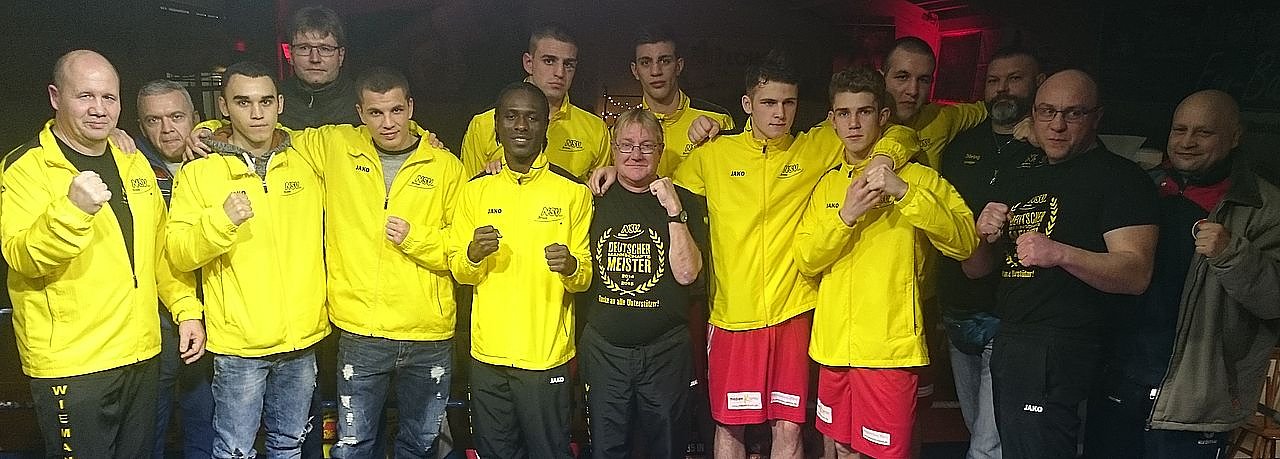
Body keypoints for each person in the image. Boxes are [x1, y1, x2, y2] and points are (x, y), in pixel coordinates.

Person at [670, 50, 916, 459]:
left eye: (789, 102)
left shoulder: (814, 147)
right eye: (768, 102)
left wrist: (886, 157)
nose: (780, 113)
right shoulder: (713, 154)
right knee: (730, 427)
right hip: (734, 317)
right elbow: (657, 178)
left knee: (789, 426)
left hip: (794, 313)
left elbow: (901, 134)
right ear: (747, 104)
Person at [1, 49, 203, 457]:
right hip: (74, 365)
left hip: (141, 353)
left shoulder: (134, 163)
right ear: (56, 97)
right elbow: (22, 257)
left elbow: (159, 251)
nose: (99, 109)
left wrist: (186, 310)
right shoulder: (25, 167)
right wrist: (71, 211)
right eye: (85, 96)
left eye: (109, 98)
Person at [961, 69, 1159, 459]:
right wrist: (979, 236)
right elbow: (976, 269)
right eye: (1047, 111)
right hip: (1011, 335)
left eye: (1073, 114)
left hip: (1063, 343)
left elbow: (1136, 273)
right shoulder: (1022, 173)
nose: (1056, 125)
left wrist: (1061, 253)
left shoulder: (1121, 178)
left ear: (1096, 117)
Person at [1085, 90, 1280, 458]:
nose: (1187, 142)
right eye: (1180, 130)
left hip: (1193, 398)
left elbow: (1274, 303)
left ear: (1235, 137)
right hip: (1118, 376)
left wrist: (1232, 253)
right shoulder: (1139, 186)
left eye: (1204, 132)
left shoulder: (1265, 208)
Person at [798, 66, 978, 459]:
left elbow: (966, 242)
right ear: (832, 119)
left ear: (882, 116)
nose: (853, 123)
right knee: (841, 449)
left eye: (864, 112)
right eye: (844, 113)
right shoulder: (828, 184)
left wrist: (905, 193)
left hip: (889, 352)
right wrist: (845, 217)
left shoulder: (917, 177)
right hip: (833, 349)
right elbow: (807, 259)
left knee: (885, 454)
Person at [286, 67, 464, 459]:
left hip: (427, 333)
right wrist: (211, 128)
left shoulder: (445, 165)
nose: (388, 122)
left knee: (420, 446)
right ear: (360, 113)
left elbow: (460, 251)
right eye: (376, 112)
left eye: (396, 110)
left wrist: (414, 238)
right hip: (361, 331)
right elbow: (270, 134)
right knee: (354, 446)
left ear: (410, 108)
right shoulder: (336, 145)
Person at [166, 61, 329, 459]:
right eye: (243, 102)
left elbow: (372, 132)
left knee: (289, 446)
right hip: (240, 345)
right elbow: (179, 252)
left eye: (265, 102)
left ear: (280, 104)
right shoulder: (199, 170)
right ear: (224, 106)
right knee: (235, 451)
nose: (257, 113)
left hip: (301, 338)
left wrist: (424, 136)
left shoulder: (308, 158)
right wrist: (221, 221)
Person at [448, 82, 594, 458]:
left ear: (546, 125)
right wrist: (473, 254)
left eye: (532, 118)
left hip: (546, 357)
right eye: (511, 117)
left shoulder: (572, 191)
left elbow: (584, 278)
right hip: (488, 357)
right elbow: (460, 271)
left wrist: (571, 266)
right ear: (497, 124)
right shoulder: (475, 190)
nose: (521, 126)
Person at [581, 108, 708, 458]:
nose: (636, 154)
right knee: (607, 450)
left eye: (646, 146)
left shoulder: (683, 200)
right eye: (626, 145)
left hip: (665, 352)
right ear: (613, 149)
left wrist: (673, 211)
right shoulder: (591, 199)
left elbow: (687, 274)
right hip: (605, 351)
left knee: (667, 449)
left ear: (661, 149)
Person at [936, 47, 1044, 459]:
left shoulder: (1048, 147)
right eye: (994, 80)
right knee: (976, 428)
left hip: (1012, 313)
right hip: (959, 307)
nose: (1002, 89)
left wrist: (1041, 134)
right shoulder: (960, 143)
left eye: (1014, 79)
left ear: (1037, 83)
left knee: (987, 443)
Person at [136, 78, 215, 459]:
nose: (167, 129)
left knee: (205, 416)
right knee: (151, 421)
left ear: (195, 118)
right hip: (156, 312)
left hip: (214, 304)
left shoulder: (217, 158)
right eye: (154, 120)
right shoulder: (128, 164)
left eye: (177, 117)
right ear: (140, 126)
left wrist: (213, 131)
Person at [461, 23, 610, 181]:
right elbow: (471, 189)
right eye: (549, 61)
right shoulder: (484, 125)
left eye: (568, 64)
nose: (560, 73)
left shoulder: (595, 130)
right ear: (528, 63)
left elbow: (600, 192)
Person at [630, 25, 735, 177]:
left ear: (679, 66)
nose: (656, 71)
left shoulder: (718, 120)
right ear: (635, 71)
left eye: (665, 61)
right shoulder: (621, 132)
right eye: (646, 63)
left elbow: (735, 179)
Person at [280, 5, 359, 128]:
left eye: (325, 49)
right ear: (290, 54)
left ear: (341, 55)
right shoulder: (271, 101)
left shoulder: (363, 101)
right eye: (304, 48)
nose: (315, 59)